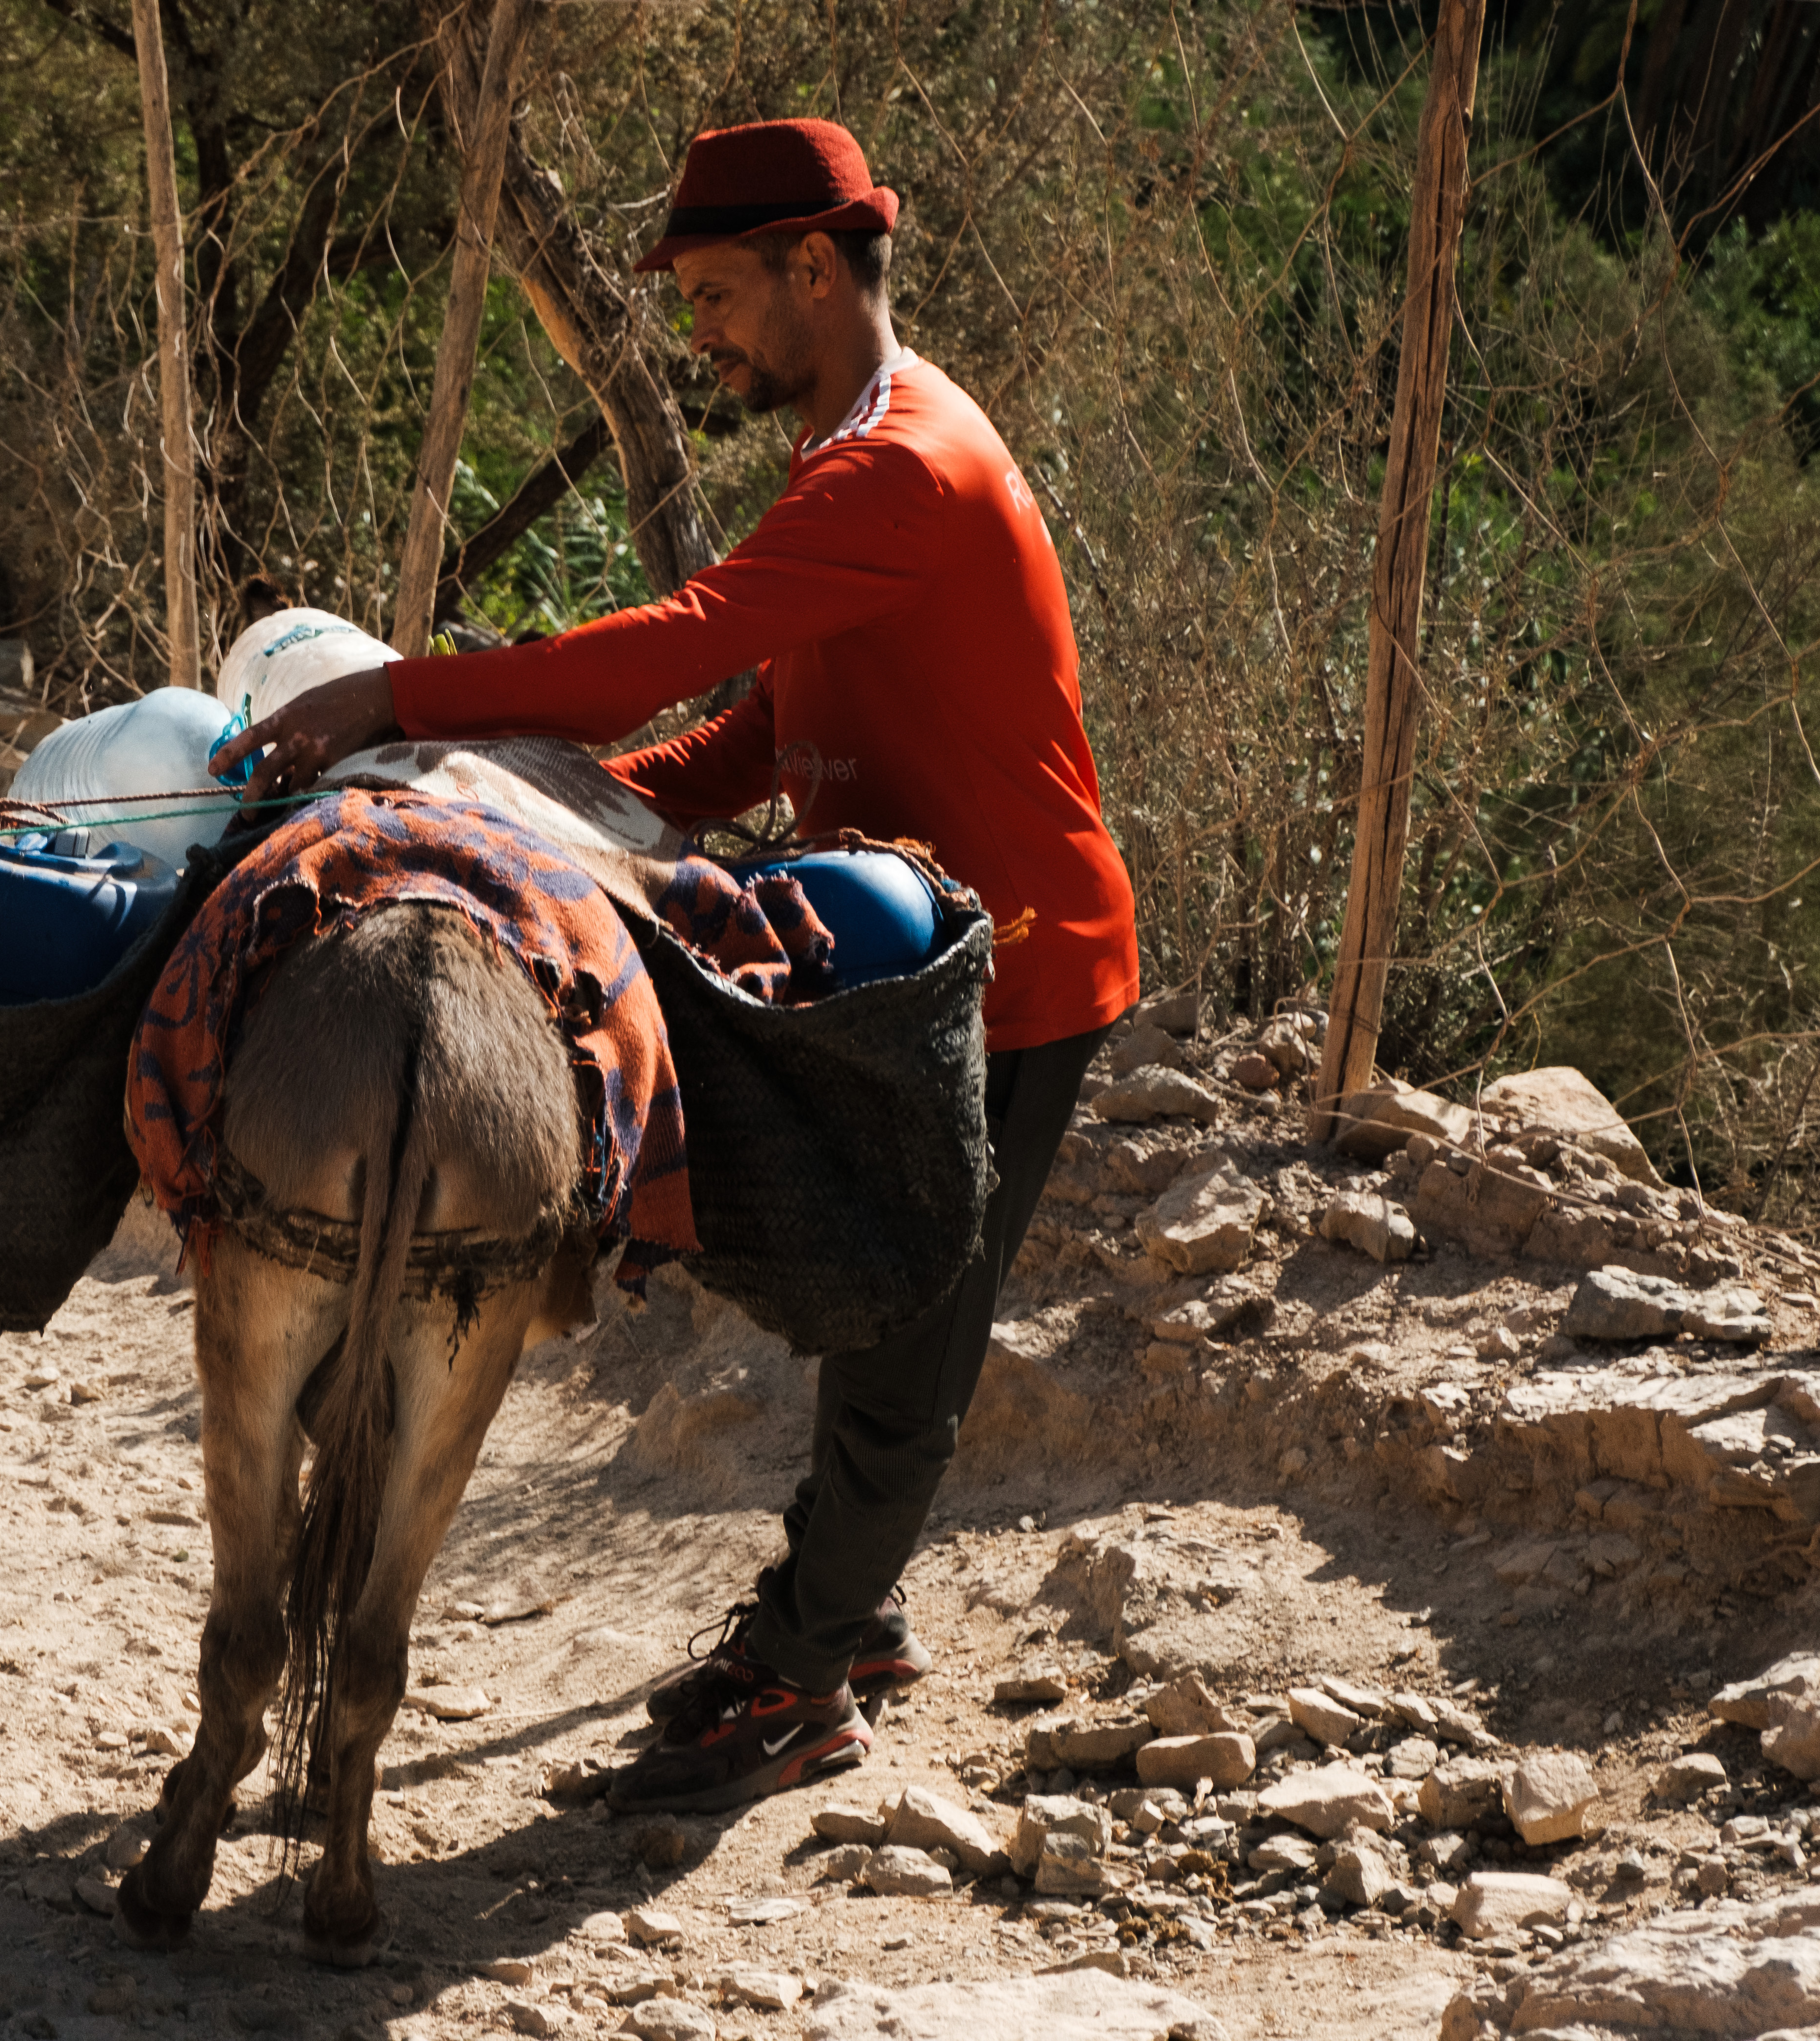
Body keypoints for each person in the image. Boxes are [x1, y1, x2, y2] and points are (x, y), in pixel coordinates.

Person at [209, 117, 1141, 1815]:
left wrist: (401, 698)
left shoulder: (900, 465)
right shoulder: (854, 449)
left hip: (1009, 964)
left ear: (812, 268)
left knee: (908, 1345)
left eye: (714, 295)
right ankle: (840, 1616)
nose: (697, 333)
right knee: (864, 1283)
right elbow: (761, 727)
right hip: (892, 946)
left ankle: (804, 1683)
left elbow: (678, 649)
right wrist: (552, 811)